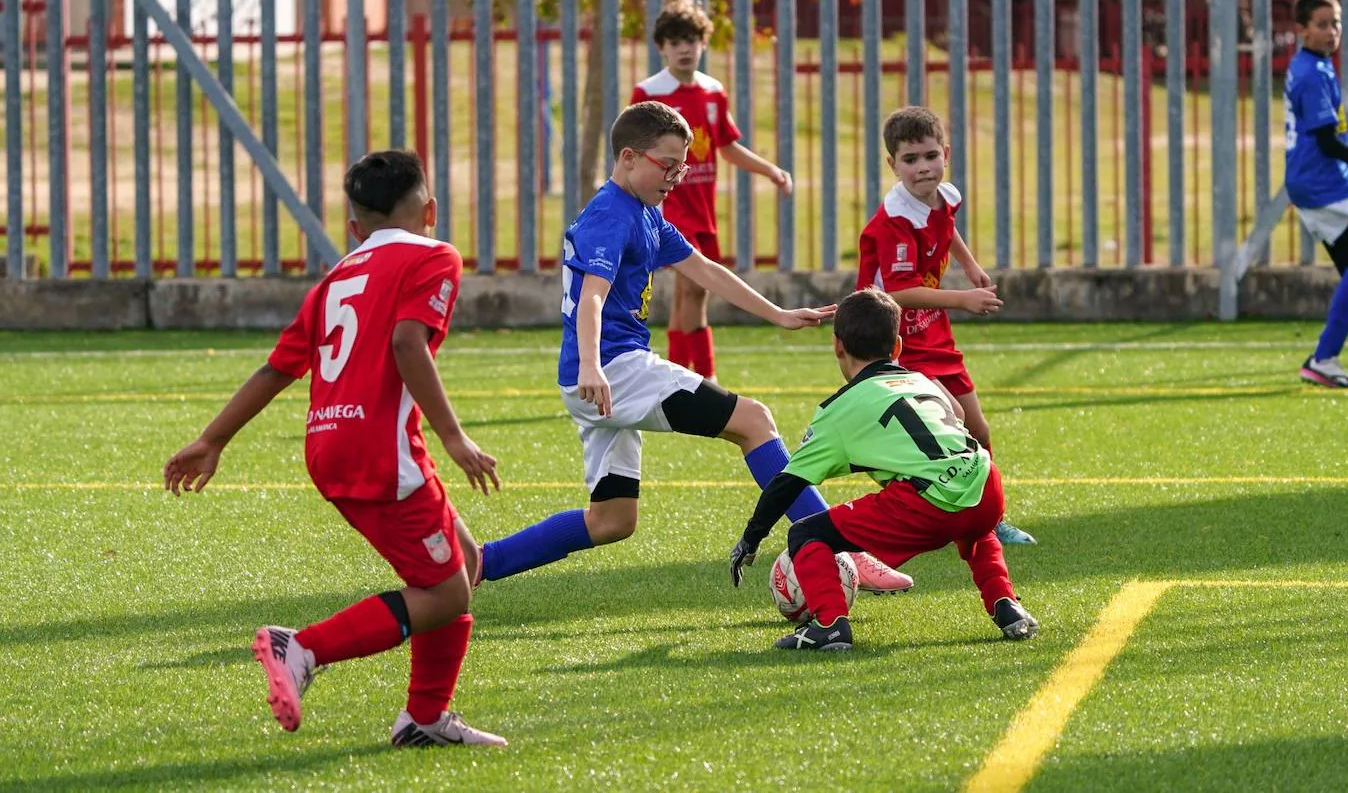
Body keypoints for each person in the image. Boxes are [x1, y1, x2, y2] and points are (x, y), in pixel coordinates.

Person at [474, 102, 912, 594]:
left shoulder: (643, 212)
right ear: (628, 157)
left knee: (611, 520)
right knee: (754, 421)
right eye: (667, 165)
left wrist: (779, 314)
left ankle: (478, 563)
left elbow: (704, 269)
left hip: (596, 378)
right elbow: (591, 298)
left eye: (681, 166)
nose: (676, 177)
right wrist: (595, 365)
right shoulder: (611, 216)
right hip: (612, 371)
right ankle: (843, 549)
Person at [162, 151, 507, 748]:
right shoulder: (434, 254)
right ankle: (302, 648)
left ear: (355, 227)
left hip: (328, 445)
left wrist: (212, 439)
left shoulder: (337, 277)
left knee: (464, 563)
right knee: (447, 592)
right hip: (382, 450)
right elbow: (407, 342)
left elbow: (278, 369)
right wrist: (455, 435)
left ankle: (425, 719)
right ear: (430, 210)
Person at [729, 288, 1039, 651]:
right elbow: (956, 419)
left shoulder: (839, 411)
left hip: (926, 504)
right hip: (985, 483)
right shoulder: (922, 380)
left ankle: (829, 625)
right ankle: (1007, 606)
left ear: (837, 347)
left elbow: (787, 483)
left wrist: (751, 538)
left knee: (806, 534)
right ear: (897, 348)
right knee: (974, 523)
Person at [856, 105, 1036, 546]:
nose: (922, 168)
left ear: (946, 154)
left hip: (933, 334)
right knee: (942, 430)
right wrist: (963, 299)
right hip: (889, 343)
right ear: (892, 165)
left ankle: (988, 520)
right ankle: (911, 520)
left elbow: (946, 227)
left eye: (930, 156)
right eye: (910, 160)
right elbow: (896, 294)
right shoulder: (895, 221)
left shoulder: (945, 197)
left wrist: (970, 265)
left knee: (978, 430)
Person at [630, 0, 793, 381]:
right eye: (674, 41)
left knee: (695, 291)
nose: (684, 48)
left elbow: (726, 146)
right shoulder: (649, 93)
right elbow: (633, 151)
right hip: (669, 207)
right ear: (661, 48)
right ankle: (700, 376)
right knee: (694, 284)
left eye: (691, 40)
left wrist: (770, 170)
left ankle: (678, 374)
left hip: (702, 206)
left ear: (703, 43)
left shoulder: (712, 92)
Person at [1283, 0, 1348, 389]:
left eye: (1335, 22)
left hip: (1317, 183)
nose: (1332, 31)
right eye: (1321, 24)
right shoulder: (1311, 74)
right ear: (1301, 30)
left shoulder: (1314, 65)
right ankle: (1324, 357)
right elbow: (1327, 143)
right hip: (1323, 185)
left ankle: (1329, 356)